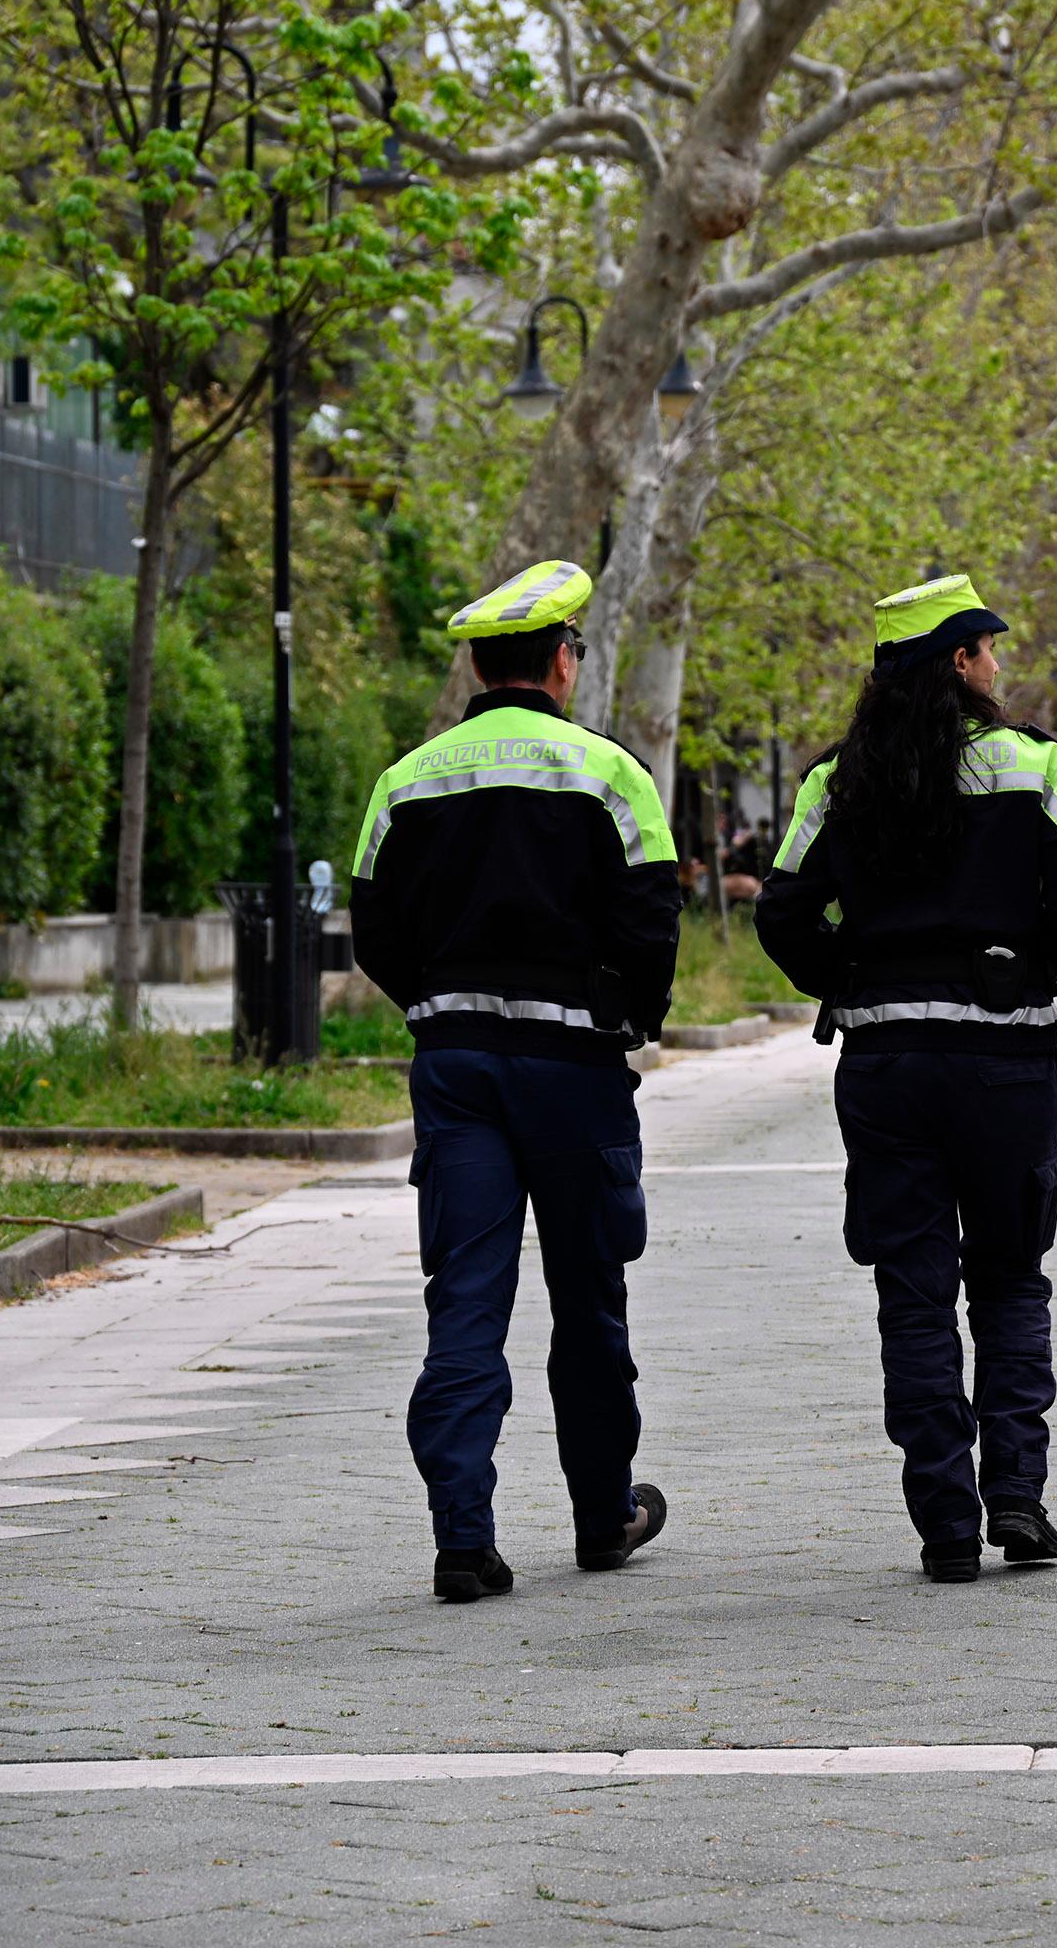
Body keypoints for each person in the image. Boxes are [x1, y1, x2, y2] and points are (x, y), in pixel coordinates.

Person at [756, 574, 1057, 1585]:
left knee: (913, 1292)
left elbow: (782, 913)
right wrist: (1023, 964)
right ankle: (1021, 1497)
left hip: (888, 1064)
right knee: (1009, 1273)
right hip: (1005, 1061)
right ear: (958, 662)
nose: (1000, 663)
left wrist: (855, 975)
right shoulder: (1032, 761)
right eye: (988, 648)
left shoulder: (838, 781)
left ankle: (945, 1522)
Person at [349, 561, 681, 1604]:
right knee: (588, 1301)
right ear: (562, 660)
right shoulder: (611, 774)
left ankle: (464, 1538)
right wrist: (627, 1017)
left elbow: (373, 930)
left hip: (455, 1070)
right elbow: (652, 924)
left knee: (465, 1301)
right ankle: (600, 1514)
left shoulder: (405, 779)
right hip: (574, 1069)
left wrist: (441, 1004)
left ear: (477, 668)